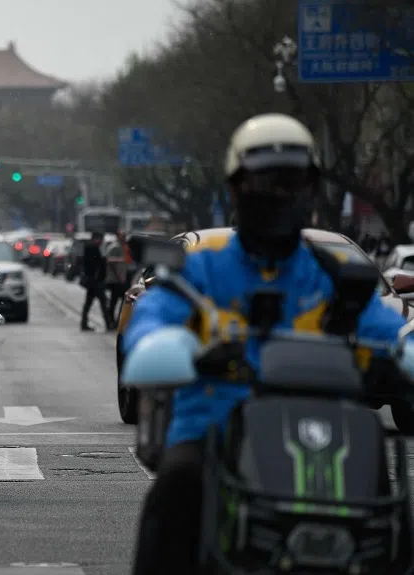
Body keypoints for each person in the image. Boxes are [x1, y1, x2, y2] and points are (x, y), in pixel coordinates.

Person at [123, 113, 411, 575]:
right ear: (237, 189)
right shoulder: (201, 270)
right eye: (265, 182)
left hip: (328, 432)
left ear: (311, 191)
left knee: (386, 507)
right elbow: (155, 316)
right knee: (177, 485)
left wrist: (405, 350)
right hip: (215, 432)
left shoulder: (335, 276)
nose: (280, 195)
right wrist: (164, 342)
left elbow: (389, 327)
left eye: (293, 182)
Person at [80, 231, 113, 331]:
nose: (101, 242)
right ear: (96, 238)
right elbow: (97, 264)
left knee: (89, 303)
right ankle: (108, 324)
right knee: (103, 303)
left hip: (92, 281)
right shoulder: (92, 248)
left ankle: (84, 323)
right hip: (95, 282)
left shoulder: (90, 247)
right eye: (100, 239)